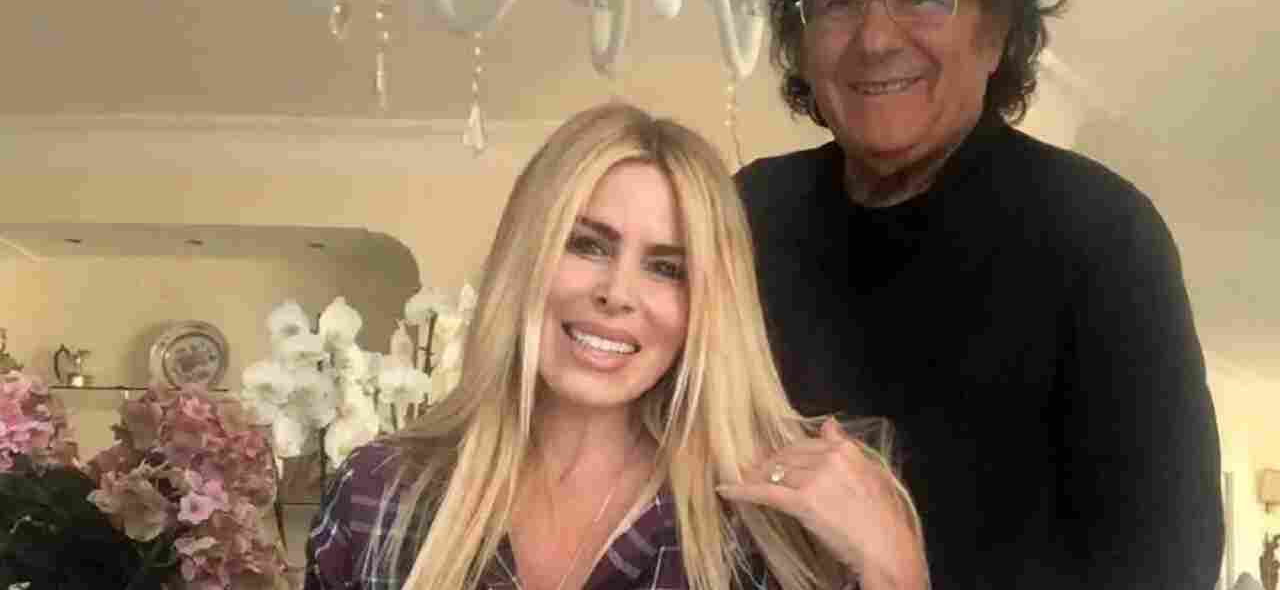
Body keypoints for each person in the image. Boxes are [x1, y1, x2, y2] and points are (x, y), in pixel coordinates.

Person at [731, 0, 1224, 589]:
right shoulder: (746, 213)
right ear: (801, 42)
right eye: (835, 0)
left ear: (996, 32)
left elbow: (1166, 570)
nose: (875, 38)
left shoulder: (1101, 236)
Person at [305, 102, 929, 590]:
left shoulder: (774, 527)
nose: (617, 293)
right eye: (588, 245)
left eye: (666, 268)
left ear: (707, 305)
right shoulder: (378, 496)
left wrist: (897, 570)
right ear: (525, 258)